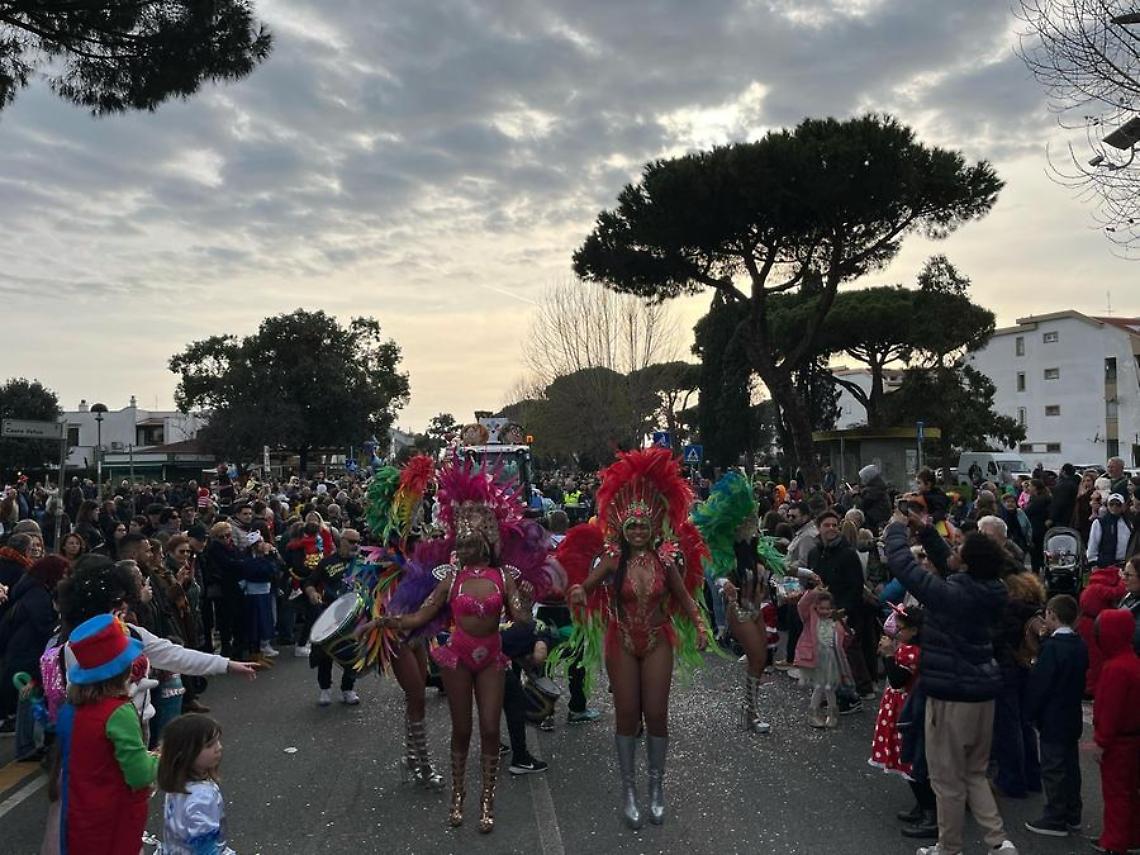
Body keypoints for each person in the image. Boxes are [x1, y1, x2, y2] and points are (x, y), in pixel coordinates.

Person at [368, 469, 538, 834]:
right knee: (462, 730)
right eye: (460, 541)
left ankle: (487, 802)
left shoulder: (504, 577)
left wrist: (525, 598)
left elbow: (522, 619)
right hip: (457, 658)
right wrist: (387, 623)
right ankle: (458, 797)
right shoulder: (451, 578)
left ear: (487, 543)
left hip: (492, 657)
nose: (463, 545)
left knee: (491, 729)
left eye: (471, 540)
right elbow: (421, 615)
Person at [562, 448, 709, 831]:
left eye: (645, 526)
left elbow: (683, 596)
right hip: (621, 638)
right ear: (623, 529)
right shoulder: (613, 558)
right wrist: (578, 593)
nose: (640, 531)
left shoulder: (665, 558)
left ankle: (656, 789)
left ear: (653, 527)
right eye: (633, 527)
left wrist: (700, 626)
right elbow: (587, 586)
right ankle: (629, 792)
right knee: (627, 715)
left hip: (659, 638)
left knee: (657, 714)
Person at [884, 513, 1019, 855]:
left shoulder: (952, 595)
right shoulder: (992, 589)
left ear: (968, 562)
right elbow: (948, 564)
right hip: (982, 693)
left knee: (946, 779)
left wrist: (897, 529)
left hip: (950, 696)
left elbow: (905, 567)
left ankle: (949, 846)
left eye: (959, 547)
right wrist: (927, 530)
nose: (953, 550)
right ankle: (998, 841)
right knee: (975, 773)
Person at [57, 614, 159, 855]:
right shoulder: (118, 711)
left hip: (79, 812)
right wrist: (160, 758)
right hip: (115, 816)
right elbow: (139, 774)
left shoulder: (70, 709)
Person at [691, 472, 772, 734]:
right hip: (738, 611)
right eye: (747, 519)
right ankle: (750, 712)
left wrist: (807, 575)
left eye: (753, 518)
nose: (752, 522)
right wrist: (723, 585)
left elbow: (783, 566)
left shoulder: (756, 550)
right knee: (757, 657)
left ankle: (750, 710)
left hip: (757, 610)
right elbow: (716, 574)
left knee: (760, 661)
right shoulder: (727, 552)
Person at [1022, 594, 1088, 838]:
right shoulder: (1079, 645)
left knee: (1053, 767)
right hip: (1071, 714)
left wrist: (1029, 712)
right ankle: (1073, 812)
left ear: (1052, 614)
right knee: (1070, 766)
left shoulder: (1051, 649)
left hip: (1052, 717)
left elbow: (1040, 686)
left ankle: (1055, 816)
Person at [0, 555, 67, 753]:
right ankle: (26, 747)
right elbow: (44, 627)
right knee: (28, 699)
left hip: (22, 652)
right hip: (27, 655)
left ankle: (27, 745)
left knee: (28, 700)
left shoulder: (31, 590)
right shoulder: (38, 595)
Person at [807, 509, 874, 705]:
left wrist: (844, 612)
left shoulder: (848, 554)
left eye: (834, 525)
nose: (831, 529)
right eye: (826, 525)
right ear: (819, 528)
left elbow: (855, 586)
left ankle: (862, 689)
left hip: (844, 610)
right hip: (821, 611)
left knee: (848, 649)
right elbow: (811, 579)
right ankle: (834, 690)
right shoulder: (814, 553)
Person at [1090, 608, 1140, 855]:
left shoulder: (1115, 668)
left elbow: (1109, 710)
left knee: (1115, 793)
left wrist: (1101, 741)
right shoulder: (1131, 661)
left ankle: (1114, 841)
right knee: (1130, 791)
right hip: (1132, 737)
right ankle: (1131, 836)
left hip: (1118, 742)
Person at [155, 713, 234, 855]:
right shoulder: (201, 797)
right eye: (210, 745)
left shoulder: (177, 786)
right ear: (186, 754)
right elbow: (205, 846)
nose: (219, 748)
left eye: (218, 741)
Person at [304, 528, 362, 706]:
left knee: (353, 652)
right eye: (351, 541)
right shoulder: (327, 562)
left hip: (355, 614)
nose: (354, 545)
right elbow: (309, 582)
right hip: (331, 612)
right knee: (325, 652)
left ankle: (348, 689)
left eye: (357, 542)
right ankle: (325, 689)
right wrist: (312, 593)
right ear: (341, 541)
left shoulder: (361, 562)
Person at [795, 588, 850, 728]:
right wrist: (813, 593)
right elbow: (801, 605)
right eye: (821, 608)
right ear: (815, 607)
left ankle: (832, 714)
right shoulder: (810, 618)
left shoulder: (836, 623)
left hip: (831, 660)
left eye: (828, 608)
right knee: (819, 686)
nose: (824, 611)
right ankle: (812, 714)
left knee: (830, 687)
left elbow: (841, 642)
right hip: (816, 658)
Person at [1078, 553, 1126, 698]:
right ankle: (1091, 689)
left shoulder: (1092, 586)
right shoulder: (1100, 588)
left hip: (1086, 623)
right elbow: (1117, 592)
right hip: (1092, 624)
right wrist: (1123, 581)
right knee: (1095, 658)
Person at [1087, 493, 1132, 570]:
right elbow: (1093, 544)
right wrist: (1093, 562)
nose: (1114, 507)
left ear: (1123, 506)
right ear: (1107, 505)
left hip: (1123, 565)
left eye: (1118, 504)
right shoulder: (1100, 522)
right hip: (1104, 565)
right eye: (1111, 504)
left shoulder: (1128, 523)